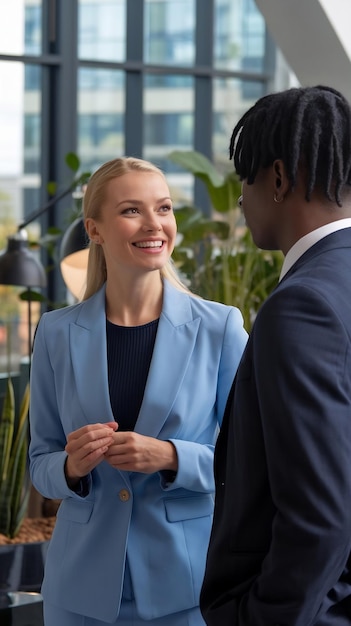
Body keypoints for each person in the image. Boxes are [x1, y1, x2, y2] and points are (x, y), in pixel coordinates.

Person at [28, 156, 248, 626]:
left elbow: (253, 459)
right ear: (95, 229)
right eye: (132, 210)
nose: (155, 224)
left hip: (186, 587)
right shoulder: (55, 333)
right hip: (78, 592)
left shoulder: (221, 327)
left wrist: (170, 456)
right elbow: (38, 464)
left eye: (164, 208)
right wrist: (69, 467)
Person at [200, 84, 351, 626]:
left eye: (247, 178)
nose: (241, 198)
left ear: (280, 180)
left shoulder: (302, 305)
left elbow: (320, 517)